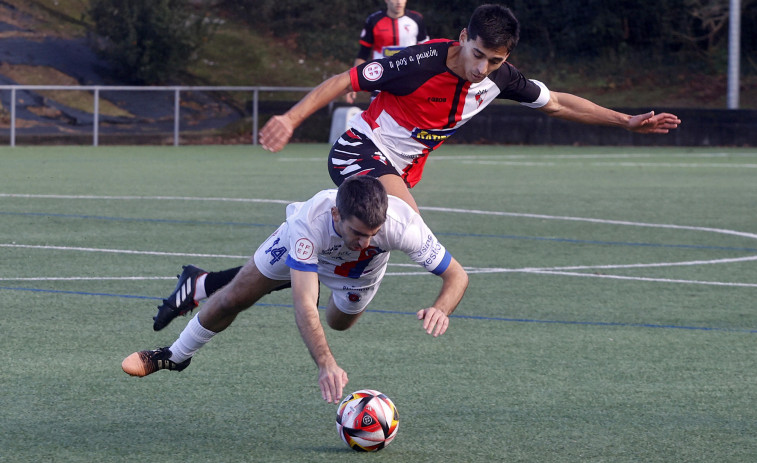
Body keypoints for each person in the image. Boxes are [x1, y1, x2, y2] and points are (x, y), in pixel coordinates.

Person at [150, 4, 682, 332]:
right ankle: (217, 290)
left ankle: (204, 286)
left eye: (494, 61)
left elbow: (559, 102)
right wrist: (289, 118)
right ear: (462, 37)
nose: (482, 69)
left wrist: (626, 121)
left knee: (344, 289)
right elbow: (344, 80)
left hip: (399, 169)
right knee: (406, 232)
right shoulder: (417, 62)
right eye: (477, 54)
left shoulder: (500, 78)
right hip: (359, 152)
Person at [123, 176, 469, 404]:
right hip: (299, 248)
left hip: (358, 278)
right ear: (337, 213)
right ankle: (174, 355)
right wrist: (326, 364)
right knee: (235, 297)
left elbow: (457, 277)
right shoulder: (309, 222)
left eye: (373, 234)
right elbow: (305, 306)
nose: (366, 242)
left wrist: (441, 307)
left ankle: (292, 275)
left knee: (339, 323)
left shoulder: (402, 225)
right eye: (358, 233)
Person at [345, 0, 429, 103]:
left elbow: (426, 53)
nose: (399, 2)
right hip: (381, 79)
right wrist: (352, 83)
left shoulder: (417, 19)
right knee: (377, 117)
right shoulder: (373, 20)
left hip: (409, 80)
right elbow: (363, 54)